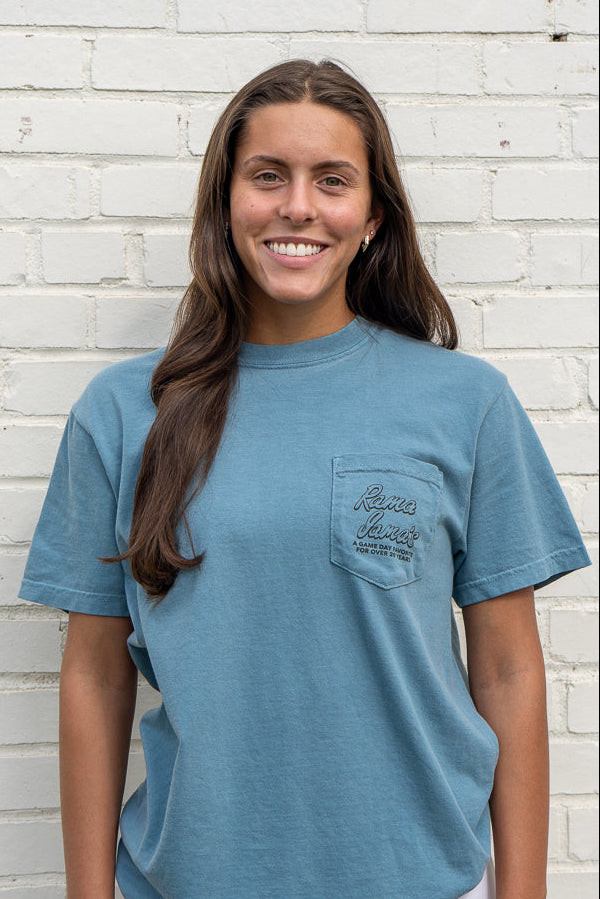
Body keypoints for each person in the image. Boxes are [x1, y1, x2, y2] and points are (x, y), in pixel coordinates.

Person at [20, 59, 590, 899]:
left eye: (332, 180)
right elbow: (97, 674)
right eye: (267, 176)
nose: (298, 206)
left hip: (420, 879)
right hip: (188, 880)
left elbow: (507, 669)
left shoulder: (465, 404)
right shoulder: (121, 413)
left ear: (372, 218)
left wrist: (526, 893)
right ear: (225, 204)